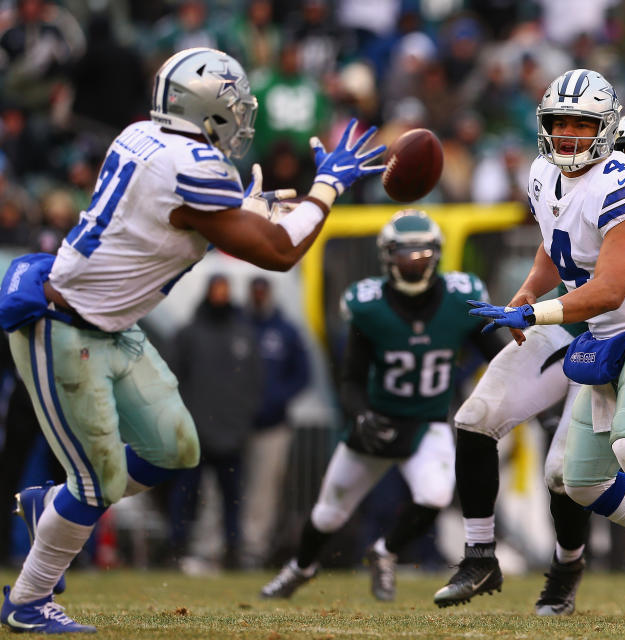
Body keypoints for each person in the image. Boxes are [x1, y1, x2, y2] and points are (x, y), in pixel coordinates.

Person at [0, 46, 384, 633]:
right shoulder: (194, 168)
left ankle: (50, 507)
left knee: (174, 449)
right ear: (205, 108)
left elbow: (182, 218)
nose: (240, 118)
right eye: (232, 106)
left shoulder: (140, 137)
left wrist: (245, 207)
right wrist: (326, 186)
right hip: (63, 329)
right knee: (97, 483)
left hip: (111, 326)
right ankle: (27, 602)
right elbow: (280, 253)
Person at [435, 106, 625, 618]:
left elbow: (620, 279)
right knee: (567, 472)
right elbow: (557, 245)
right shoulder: (554, 174)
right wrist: (526, 298)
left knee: (612, 452)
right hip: (583, 330)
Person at [260, 210, 506, 602]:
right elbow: (351, 378)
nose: (413, 264)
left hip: (429, 422)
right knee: (328, 514)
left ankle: (384, 551)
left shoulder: (461, 298)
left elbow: (500, 357)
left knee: (435, 496)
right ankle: (299, 568)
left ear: (437, 256)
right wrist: (360, 416)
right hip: (378, 420)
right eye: (404, 256)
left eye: (421, 256)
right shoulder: (369, 305)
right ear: (387, 258)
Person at [167, 274, 262, 569]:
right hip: (195, 433)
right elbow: (172, 379)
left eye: (225, 290)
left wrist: (243, 419)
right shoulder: (189, 334)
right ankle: (178, 547)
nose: (220, 295)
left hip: (232, 433)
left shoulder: (243, 335)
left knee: (232, 496)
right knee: (185, 495)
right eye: (216, 290)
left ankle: (233, 550)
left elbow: (255, 383)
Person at [242, 276, 311, 568]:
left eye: (263, 291)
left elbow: (303, 373)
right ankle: (222, 545)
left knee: (264, 490)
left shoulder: (285, 331)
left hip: (272, 424)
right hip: (235, 423)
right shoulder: (239, 327)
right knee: (228, 487)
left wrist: (278, 398)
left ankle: (253, 548)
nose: (259, 296)